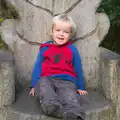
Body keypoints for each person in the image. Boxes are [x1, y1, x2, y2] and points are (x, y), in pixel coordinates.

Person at [29, 13, 88, 120]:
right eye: (58, 30)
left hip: (66, 80)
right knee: (43, 87)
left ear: (70, 35)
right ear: (52, 31)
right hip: (47, 78)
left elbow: (78, 68)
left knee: (69, 95)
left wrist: (80, 86)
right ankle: (52, 106)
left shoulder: (72, 49)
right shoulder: (45, 48)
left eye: (66, 32)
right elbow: (38, 66)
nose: (61, 34)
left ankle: (74, 113)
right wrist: (34, 84)